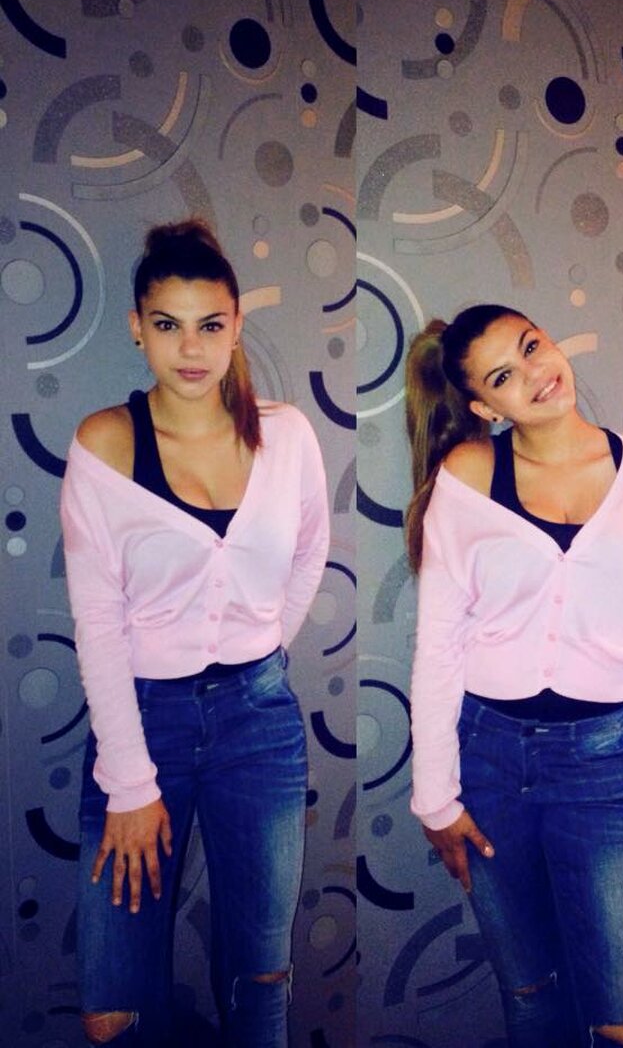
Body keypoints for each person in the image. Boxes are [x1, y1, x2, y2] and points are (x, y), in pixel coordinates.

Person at [403, 305, 623, 1048]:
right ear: (485, 407)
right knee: (532, 996)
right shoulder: (468, 475)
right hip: (486, 758)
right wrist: (435, 796)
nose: (535, 374)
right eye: (504, 376)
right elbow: (439, 643)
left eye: (532, 346)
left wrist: (613, 654)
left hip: (598, 764)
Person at [60, 220, 330, 1046]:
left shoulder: (286, 435)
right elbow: (97, 622)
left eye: (210, 324)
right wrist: (131, 782)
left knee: (261, 976)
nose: (190, 347)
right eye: (167, 324)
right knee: (113, 1007)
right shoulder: (105, 444)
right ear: (137, 327)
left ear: (236, 326)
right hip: (143, 724)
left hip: (259, 724)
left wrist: (261, 651)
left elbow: (310, 551)